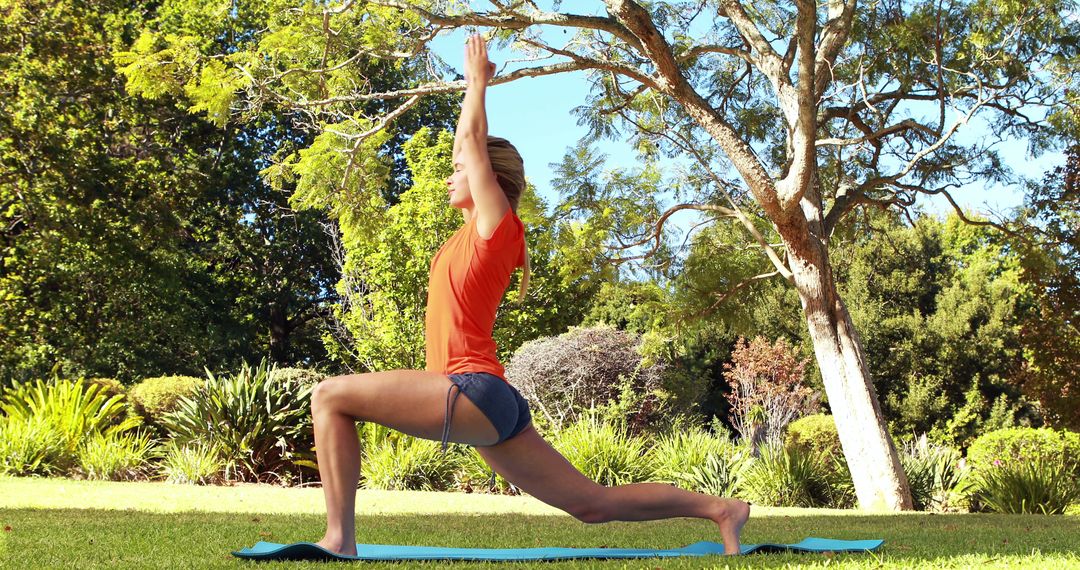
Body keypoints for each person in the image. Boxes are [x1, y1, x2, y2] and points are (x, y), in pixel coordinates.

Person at [310, 34, 750, 557]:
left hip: (469, 388)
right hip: (488, 399)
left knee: (329, 396)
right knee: (591, 504)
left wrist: (478, 83)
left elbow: (471, 145)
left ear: (488, 180)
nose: (452, 174)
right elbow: (466, 148)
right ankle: (721, 509)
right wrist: (472, 99)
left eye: (460, 171)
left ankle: (340, 539)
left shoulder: (498, 228)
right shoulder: (471, 232)